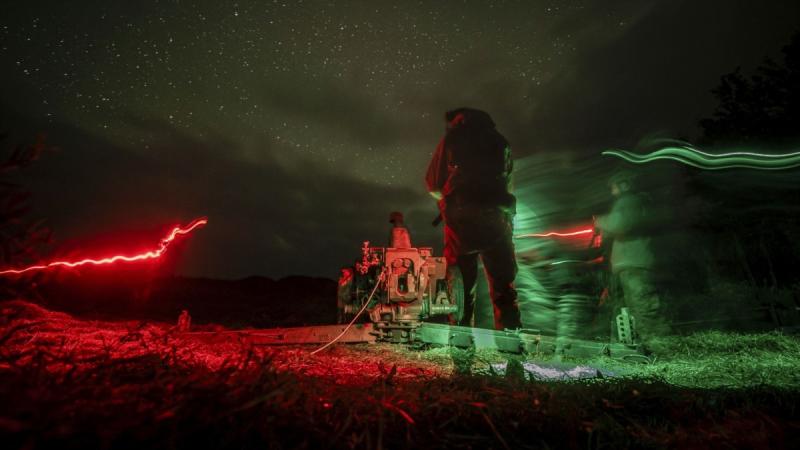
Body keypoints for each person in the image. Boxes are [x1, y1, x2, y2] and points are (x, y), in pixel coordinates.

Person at [425, 107, 521, 330]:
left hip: (461, 224)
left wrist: (448, 204)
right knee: (503, 289)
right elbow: (508, 183)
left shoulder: (453, 138)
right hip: (497, 221)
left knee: (460, 287)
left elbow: (432, 183)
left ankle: (461, 344)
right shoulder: (500, 141)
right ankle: (512, 345)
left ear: (459, 119)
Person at [594, 170, 670, 341]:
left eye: (614, 187)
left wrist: (600, 221)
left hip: (634, 264)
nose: (612, 191)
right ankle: (629, 344)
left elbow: (621, 223)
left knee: (644, 306)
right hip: (629, 264)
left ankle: (659, 345)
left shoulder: (629, 201)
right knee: (626, 307)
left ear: (624, 185)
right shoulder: (636, 202)